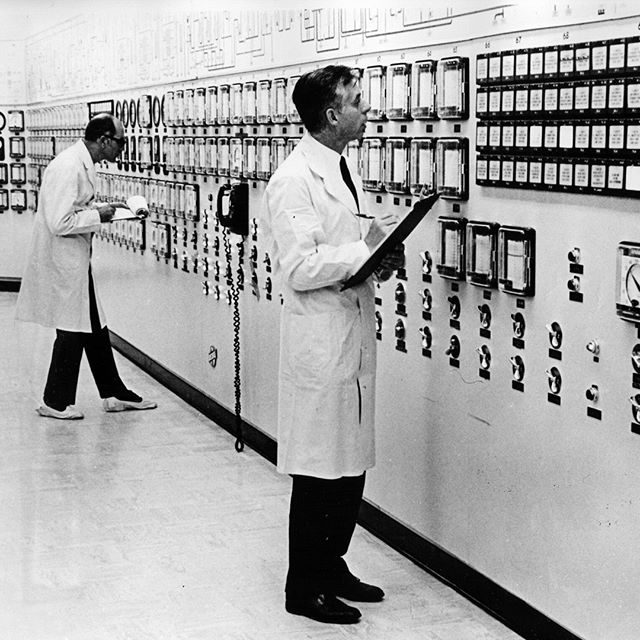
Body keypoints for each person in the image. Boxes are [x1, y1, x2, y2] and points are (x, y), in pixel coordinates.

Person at [262, 66, 405, 625]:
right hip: (320, 341)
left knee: (350, 463)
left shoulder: (342, 167)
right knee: (321, 469)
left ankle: (332, 565)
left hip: (349, 332)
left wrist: (378, 252)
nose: (365, 111)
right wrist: (363, 254)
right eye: (357, 102)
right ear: (331, 114)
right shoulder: (292, 180)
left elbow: (345, 243)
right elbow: (300, 267)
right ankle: (304, 586)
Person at [15, 113, 157, 420]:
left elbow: (74, 207)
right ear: (104, 140)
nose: (123, 147)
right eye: (120, 141)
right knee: (73, 330)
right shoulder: (68, 166)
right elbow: (59, 221)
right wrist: (99, 216)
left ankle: (114, 392)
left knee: (93, 326)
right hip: (64, 262)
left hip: (75, 262)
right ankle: (54, 402)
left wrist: (105, 209)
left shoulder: (81, 163)